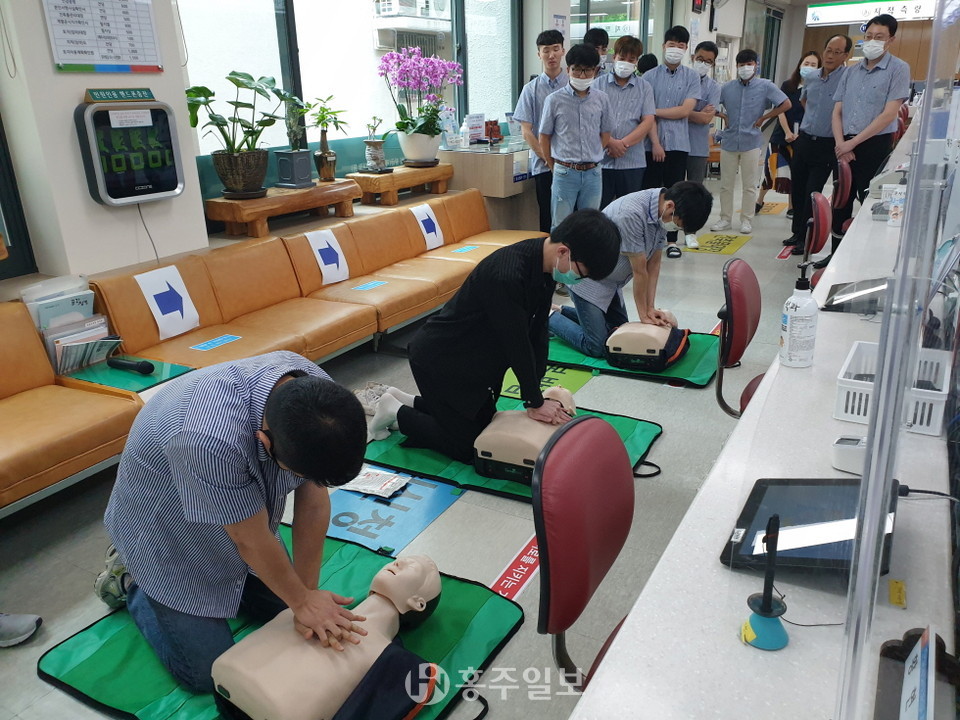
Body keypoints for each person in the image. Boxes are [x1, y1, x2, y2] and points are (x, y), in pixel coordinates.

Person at [98, 352, 368, 710]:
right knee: (205, 671)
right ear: (264, 440)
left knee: (289, 609)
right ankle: (129, 578)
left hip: (241, 518)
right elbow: (250, 539)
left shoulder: (316, 395)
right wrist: (301, 603)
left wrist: (307, 595)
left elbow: (314, 502)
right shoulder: (206, 439)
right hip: (165, 530)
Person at [368, 210, 622, 462]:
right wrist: (533, 401)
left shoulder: (544, 266)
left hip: (473, 360)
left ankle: (405, 400)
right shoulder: (507, 275)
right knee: (469, 446)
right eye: (581, 273)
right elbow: (516, 343)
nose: (578, 280)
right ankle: (395, 411)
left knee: (484, 424)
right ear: (564, 251)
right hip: (441, 359)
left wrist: (537, 390)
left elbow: (538, 333)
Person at [212, 556, 441, 720]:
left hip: (239, 687)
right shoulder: (302, 606)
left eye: (412, 567)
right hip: (231, 683)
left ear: (418, 602)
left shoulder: (390, 660)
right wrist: (303, 600)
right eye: (398, 560)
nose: (397, 562)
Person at [549, 182, 713, 357]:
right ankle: (547, 314)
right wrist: (644, 314)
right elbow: (640, 271)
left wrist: (651, 308)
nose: (676, 229)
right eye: (678, 225)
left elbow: (654, 264)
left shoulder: (661, 211)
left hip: (611, 282)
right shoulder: (631, 214)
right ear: (670, 206)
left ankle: (561, 311)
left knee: (617, 332)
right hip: (587, 279)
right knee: (598, 346)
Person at [824, 14, 910, 268]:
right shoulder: (851, 71)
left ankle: (870, 259)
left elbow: (889, 114)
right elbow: (837, 110)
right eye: (869, 36)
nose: (872, 41)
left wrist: (852, 144)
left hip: (874, 144)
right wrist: (841, 144)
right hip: (843, 144)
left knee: (871, 202)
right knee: (840, 202)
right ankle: (836, 254)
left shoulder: (898, 69)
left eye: (879, 37)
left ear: (891, 39)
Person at [711, 49, 790, 235]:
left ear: (756, 65)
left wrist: (765, 117)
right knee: (726, 184)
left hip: (752, 142)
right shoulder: (728, 87)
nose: (745, 68)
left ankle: (746, 220)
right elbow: (711, 106)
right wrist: (722, 115)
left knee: (749, 185)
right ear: (737, 66)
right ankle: (725, 218)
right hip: (729, 141)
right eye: (741, 65)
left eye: (749, 64)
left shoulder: (765, 86)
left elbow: (785, 103)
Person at [784, 35, 851, 255]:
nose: (830, 56)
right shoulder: (811, 76)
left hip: (827, 144)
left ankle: (808, 238)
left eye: (837, 52)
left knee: (813, 193)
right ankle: (796, 233)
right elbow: (804, 100)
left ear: (846, 56)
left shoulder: (847, 78)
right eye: (828, 50)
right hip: (804, 140)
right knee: (798, 189)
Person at [641, 26, 701, 259]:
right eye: (671, 44)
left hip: (678, 145)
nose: (675, 49)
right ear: (663, 45)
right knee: (652, 194)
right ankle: (649, 240)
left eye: (680, 45)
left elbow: (686, 110)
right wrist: (655, 143)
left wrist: (654, 111)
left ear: (686, 48)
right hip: (650, 145)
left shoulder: (692, 77)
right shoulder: (648, 77)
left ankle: (671, 241)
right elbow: (646, 117)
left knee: (676, 195)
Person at [539, 43, 612, 231]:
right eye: (577, 70)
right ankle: (558, 261)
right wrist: (552, 165)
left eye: (587, 71)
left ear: (595, 71)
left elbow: (606, 133)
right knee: (560, 225)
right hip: (565, 171)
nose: (582, 76)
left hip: (593, 172)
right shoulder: (554, 100)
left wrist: (594, 152)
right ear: (568, 69)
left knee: (591, 225)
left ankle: (585, 260)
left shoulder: (602, 98)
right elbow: (544, 136)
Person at [756, 50, 821, 234]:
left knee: (796, 173)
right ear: (800, 64)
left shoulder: (816, 86)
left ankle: (792, 206)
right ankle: (759, 200)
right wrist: (786, 132)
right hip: (781, 135)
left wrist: (801, 134)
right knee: (772, 169)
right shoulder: (788, 85)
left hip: (802, 136)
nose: (808, 67)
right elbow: (780, 110)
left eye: (813, 65)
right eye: (806, 63)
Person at [513, 30, 568, 234]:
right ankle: (549, 264)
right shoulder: (530, 89)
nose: (551, 55)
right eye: (546, 51)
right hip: (544, 166)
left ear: (563, 50)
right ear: (539, 54)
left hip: (571, 165)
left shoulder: (574, 85)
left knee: (573, 217)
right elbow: (526, 130)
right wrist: (548, 158)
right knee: (547, 215)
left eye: (555, 49)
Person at [596, 35, 656, 208]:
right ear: (614, 57)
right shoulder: (597, 85)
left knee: (629, 212)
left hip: (633, 162)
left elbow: (647, 121)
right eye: (622, 58)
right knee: (599, 212)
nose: (626, 63)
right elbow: (591, 120)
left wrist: (622, 144)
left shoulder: (644, 87)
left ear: (637, 61)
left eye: (632, 59)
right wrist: (610, 143)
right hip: (601, 161)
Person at [684, 40, 721, 248]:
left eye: (708, 61)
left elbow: (707, 119)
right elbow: (669, 110)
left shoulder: (713, 87)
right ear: (692, 57)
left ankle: (691, 231)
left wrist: (682, 113)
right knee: (671, 188)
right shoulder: (682, 79)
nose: (703, 63)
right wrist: (694, 113)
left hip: (698, 145)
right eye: (700, 59)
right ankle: (668, 231)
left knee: (696, 190)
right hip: (674, 143)